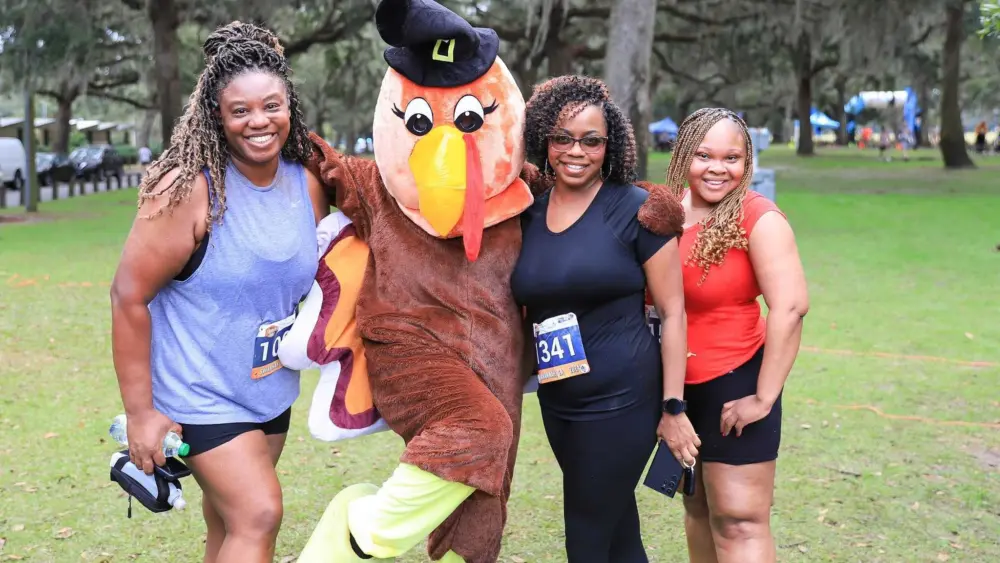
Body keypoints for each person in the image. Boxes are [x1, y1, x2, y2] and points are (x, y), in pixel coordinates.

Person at [109, 21, 327, 563]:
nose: (259, 121)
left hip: (269, 392)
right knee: (258, 513)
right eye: (241, 111)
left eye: (271, 106)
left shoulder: (309, 183)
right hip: (198, 395)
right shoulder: (186, 190)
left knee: (226, 524)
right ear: (217, 117)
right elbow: (128, 296)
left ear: (290, 107)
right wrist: (140, 415)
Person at [511, 75, 691, 563]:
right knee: (617, 535)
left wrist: (673, 409)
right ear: (544, 139)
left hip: (623, 400)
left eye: (591, 140)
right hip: (559, 399)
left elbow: (673, 313)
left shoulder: (637, 211)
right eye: (563, 138)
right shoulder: (529, 214)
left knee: (586, 536)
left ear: (609, 146)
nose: (576, 151)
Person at [663, 108, 809, 563]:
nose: (718, 168)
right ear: (683, 154)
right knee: (698, 506)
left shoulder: (757, 217)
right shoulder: (663, 211)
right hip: (675, 390)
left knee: (739, 519)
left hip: (736, 384)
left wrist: (763, 398)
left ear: (747, 163)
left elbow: (790, 307)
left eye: (733, 158)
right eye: (704, 155)